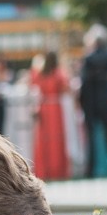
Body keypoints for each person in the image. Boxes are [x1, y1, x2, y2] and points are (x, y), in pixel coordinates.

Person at [78, 26, 107, 179]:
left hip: (90, 102)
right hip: (105, 100)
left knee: (91, 137)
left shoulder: (88, 59)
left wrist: (81, 102)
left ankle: (91, 169)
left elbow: (84, 83)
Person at [29, 51, 71, 182]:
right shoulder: (59, 73)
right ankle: (57, 169)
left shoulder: (39, 73)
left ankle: (44, 169)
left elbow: (32, 84)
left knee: (44, 139)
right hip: (55, 108)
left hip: (44, 106)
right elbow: (66, 88)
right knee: (56, 139)